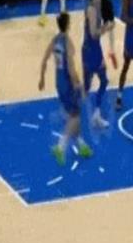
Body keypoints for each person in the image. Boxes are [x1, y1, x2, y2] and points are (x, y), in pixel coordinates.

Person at [39, 12, 93, 165]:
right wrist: (78, 83)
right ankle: (60, 146)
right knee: (75, 116)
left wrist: (42, 78)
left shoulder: (55, 40)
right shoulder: (67, 42)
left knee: (74, 115)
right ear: (68, 24)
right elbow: (70, 67)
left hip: (58, 81)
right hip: (68, 83)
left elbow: (44, 59)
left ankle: (82, 145)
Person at [83, 0, 113, 129]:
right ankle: (93, 113)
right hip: (91, 50)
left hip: (93, 49)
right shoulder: (91, 10)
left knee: (101, 80)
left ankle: (96, 113)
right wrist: (106, 28)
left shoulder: (97, 6)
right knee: (94, 83)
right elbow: (94, 33)